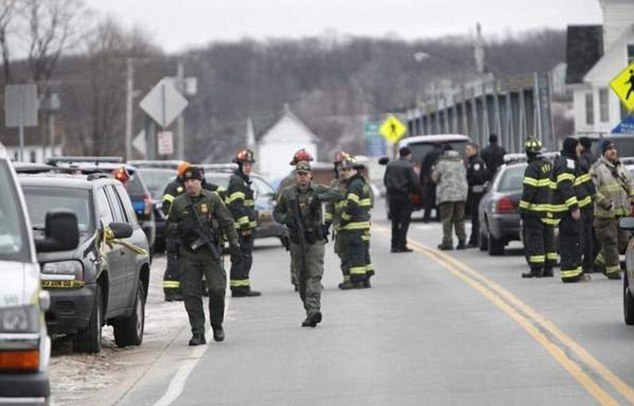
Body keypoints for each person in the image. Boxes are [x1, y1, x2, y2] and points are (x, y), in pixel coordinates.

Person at [166, 166, 241, 345]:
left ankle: (216, 324)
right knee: (191, 293)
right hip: (188, 254)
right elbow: (169, 227)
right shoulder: (178, 203)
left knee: (217, 289)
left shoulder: (213, 199)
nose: (190, 184)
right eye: (187, 182)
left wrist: (235, 244)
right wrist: (182, 228)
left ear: (201, 181)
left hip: (210, 252)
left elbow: (227, 222)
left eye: (194, 181)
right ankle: (198, 332)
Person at [273, 161, 343, 327]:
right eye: (299, 174)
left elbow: (339, 195)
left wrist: (321, 197)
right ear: (296, 175)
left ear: (310, 175)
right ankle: (309, 309)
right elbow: (277, 213)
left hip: (314, 240)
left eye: (305, 174)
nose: (302, 177)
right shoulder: (288, 193)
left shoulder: (317, 189)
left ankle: (314, 309)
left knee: (315, 274)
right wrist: (287, 220)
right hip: (297, 241)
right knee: (301, 278)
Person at [591, 139, 634, 280]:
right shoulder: (597, 168)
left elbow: (630, 183)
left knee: (623, 241)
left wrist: (632, 196)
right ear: (604, 152)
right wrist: (604, 202)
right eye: (609, 149)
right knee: (610, 242)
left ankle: (601, 259)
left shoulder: (621, 167)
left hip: (622, 213)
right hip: (606, 214)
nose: (613, 151)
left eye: (614, 148)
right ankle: (613, 272)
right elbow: (592, 190)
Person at [518, 138, 556, 278]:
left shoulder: (532, 168)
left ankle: (536, 269)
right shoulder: (548, 165)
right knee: (548, 239)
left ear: (528, 153)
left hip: (535, 211)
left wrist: (522, 208)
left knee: (535, 239)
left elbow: (529, 191)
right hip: (550, 210)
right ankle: (549, 268)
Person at [552, 137, 587, 283]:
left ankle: (575, 273)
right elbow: (565, 186)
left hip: (567, 211)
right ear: (572, 147)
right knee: (570, 242)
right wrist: (574, 207)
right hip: (566, 212)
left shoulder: (569, 161)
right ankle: (570, 274)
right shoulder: (567, 162)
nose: (581, 148)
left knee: (574, 242)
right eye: (578, 146)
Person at [278, 148, 314, 291]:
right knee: (297, 253)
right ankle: (298, 280)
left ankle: (311, 280)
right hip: (293, 224)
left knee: (311, 253)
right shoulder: (287, 182)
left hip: (310, 224)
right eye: (302, 162)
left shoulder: (310, 180)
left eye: (307, 162)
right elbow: (280, 202)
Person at [226, 149, 261, 297]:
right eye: (245, 164)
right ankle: (239, 288)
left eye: (249, 164)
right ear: (239, 165)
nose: (248, 167)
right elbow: (237, 206)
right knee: (241, 258)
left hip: (243, 229)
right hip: (241, 230)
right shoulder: (237, 182)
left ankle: (243, 287)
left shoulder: (242, 181)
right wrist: (246, 226)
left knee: (245, 258)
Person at [337, 155, 374, 289]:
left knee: (355, 254)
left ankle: (357, 281)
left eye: (347, 169)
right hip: (362, 225)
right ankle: (366, 279)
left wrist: (342, 221)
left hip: (354, 227)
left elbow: (352, 207)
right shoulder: (362, 183)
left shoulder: (354, 185)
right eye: (343, 169)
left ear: (354, 170)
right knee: (363, 253)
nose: (344, 172)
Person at [161, 160, 193, 301]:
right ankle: (171, 291)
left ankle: (179, 290)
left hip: (183, 232)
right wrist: (177, 222)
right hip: (174, 232)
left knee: (181, 262)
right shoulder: (173, 187)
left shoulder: (185, 186)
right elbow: (166, 207)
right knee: (174, 262)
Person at [384, 146, 421, 253]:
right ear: (409, 154)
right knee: (404, 221)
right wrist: (415, 192)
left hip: (392, 196)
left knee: (395, 221)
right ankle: (402, 244)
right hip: (405, 196)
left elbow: (386, 180)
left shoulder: (390, 165)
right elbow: (415, 182)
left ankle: (394, 244)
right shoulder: (409, 166)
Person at [324, 151, 352, 288]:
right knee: (342, 252)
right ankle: (347, 278)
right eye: (338, 166)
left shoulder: (355, 182)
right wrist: (326, 226)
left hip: (354, 225)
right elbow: (329, 207)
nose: (341, 169)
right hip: (339, 227)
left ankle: (358, 278)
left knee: (356, 252)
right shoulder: (334, 185)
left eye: (343, 165)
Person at [432, 144, 468, 250]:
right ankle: (462, 241)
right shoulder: (460, 162)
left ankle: (447, 241)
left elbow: (434, 178)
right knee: (459, 219)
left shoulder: (441, 164)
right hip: (461, 195)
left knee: (447, 219)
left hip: (446, 195)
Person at [576, 137, 598, 275]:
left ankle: (588, 263)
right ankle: (595, 262)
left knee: (587, 234)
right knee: (595, 235)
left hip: (587, 202)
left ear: (582, 146)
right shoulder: (595, 158)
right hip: (597, 200)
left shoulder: (582, 160)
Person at [465, 142, 488, 248]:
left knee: (476, 217)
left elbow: (477, 178)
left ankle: (475, 239)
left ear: (475, 150)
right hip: (474, 193)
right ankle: (474, 238)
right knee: (474, 217)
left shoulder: (476, 162)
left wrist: (469, 181)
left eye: (468, 150)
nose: (466, 152)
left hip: (476, 193)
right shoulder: (472, 162)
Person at [420, 144, 442, 222]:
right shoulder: (443, 154)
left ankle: (426, 218)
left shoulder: (429, 154)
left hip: (429, 180)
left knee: (428, 200)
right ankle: (439, 217)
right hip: (441, 181)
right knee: (439, 199)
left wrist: (421, 180)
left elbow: (423, 167)